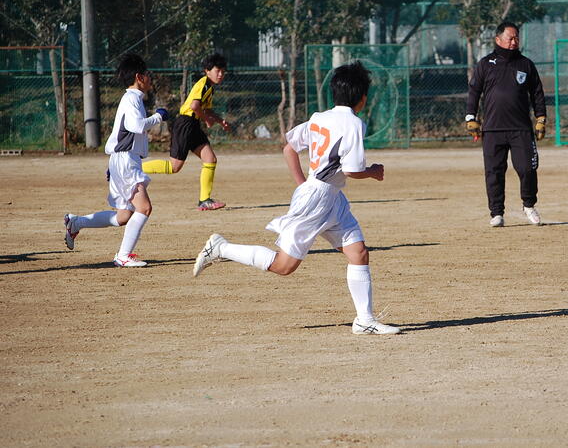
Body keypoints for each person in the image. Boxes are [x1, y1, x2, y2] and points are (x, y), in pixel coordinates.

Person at [192, 61, 400, 335]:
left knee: (358, 253)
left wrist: (305, 184)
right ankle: (221, 248)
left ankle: (364, 320)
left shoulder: (319, 118)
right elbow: (352, 170)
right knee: (284, 266)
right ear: (362, 97)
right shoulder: (354, 123)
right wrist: (372, 171)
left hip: (328, 197)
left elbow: (289, 148)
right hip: (318, 199)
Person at [63, 54, 167, 267]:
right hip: (126, 160)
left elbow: (122, 133)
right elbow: (136, 126)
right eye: (147, 74)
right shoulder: (131, 99)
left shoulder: (132, 98)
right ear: (139, 77)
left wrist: (114, 165)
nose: (150, 77)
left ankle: (76, 223)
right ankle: (123, 256)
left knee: (123, 216)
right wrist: (158, 116)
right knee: (144, 208)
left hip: (123, 160)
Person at [466, 21, 547, 228]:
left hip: (521, 128)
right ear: (498, 39)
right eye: (510, 38)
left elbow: (537, 93)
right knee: (494, 172)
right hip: (493, 129)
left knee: (527, 168)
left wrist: (541, 119)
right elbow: (474, 91)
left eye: (516, 37)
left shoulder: (526, 64)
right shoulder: (486, 64)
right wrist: (470, 117)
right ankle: (496, 213)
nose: (514, 41)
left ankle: (529, 205)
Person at [142, 53, 230, 211]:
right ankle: (133, 168)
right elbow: (194, 106)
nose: (221, 74)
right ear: (207, 71)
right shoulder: (203, 84)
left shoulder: (209, 87)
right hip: (185, 124)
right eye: (218, 71)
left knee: (210, 159)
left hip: (193, 124)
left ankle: (205, 200)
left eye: (223, 71)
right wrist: (207, 119)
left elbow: (206, 109)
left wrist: (219, 120)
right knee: (174, 167)